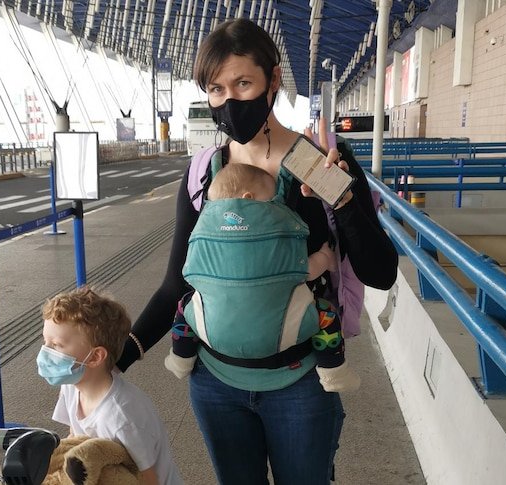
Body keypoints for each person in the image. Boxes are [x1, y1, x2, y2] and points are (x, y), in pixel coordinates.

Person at [116, 18, 398, 485]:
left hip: (304, 382)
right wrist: (119, 357)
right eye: (216, 88)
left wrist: (342, 199)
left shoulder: (322, 158)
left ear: (273, 80)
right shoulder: (205, 172)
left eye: (243, 83)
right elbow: (179, 282)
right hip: (215, 384)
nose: (230, 100)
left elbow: (381, 272)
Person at [163, 162, 359, 393]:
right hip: (283, 336)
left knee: (184, 307)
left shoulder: (204, 230)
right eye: (271, 198)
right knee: (326, 315)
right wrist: (325, 258)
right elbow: (304, 270)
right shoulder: (274, 229)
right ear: (249, 198)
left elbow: (189, 276)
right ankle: (333, 372)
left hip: (213, 335)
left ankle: (180, 359)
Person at [37, 286, 183, 485]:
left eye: (56, 345)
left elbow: (148, 477)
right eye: (45, 341)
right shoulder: (72, 386)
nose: (45, 351)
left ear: (96, 356)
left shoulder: (122, 415)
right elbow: (74, 441)